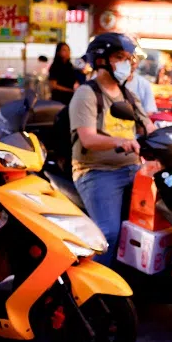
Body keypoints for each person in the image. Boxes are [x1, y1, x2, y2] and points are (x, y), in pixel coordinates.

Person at [69, 33, 154, 264]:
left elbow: (149, 127)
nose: (127, 63)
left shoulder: (129, 94)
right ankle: (93, 291)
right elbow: (87, 138)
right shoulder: (87, 94)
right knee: (108, 234)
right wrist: (119, 141)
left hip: (134, 168)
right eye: (119, 57)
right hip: (97, 171)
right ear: (100, 61)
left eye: (129, 57)